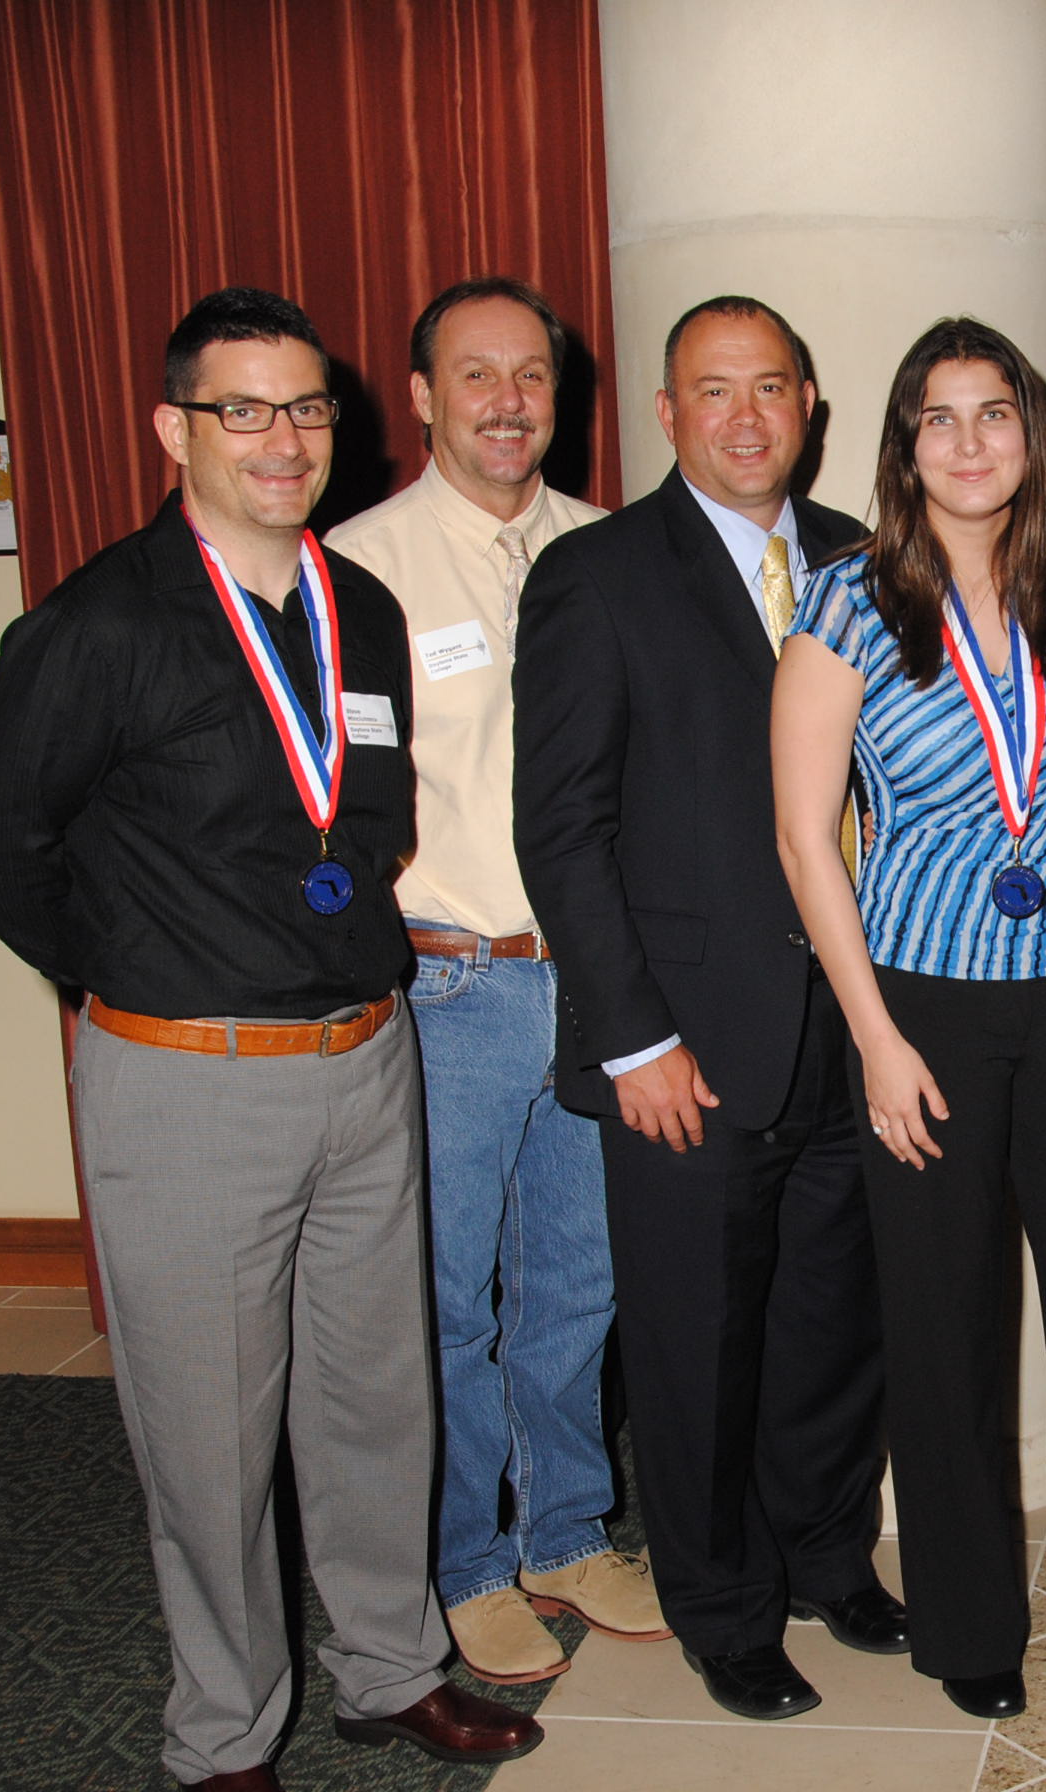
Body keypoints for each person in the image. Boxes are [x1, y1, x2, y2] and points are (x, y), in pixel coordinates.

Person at [0, 287, 540, 1792]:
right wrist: (142, 973)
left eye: (305, 411)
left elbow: (375, 794)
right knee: (211, 1433)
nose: (283, 440)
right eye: (244, 411)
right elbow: (0, 851)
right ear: (174, 430)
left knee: (376, 1399)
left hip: (367, 1060)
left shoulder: (353, 605)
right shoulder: (99, 626)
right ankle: (221, 1737)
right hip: (189, 1079)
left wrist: (335, 901)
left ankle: (389, 1669)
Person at [770, 319, 1046, 1721]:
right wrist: (874, 1039)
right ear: (903, 448)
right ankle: (968, 1623)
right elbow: (810, 843)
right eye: (936, 419)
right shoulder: (845, 602)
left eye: (991, 413)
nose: (968, 442)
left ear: (1030, 434)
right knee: (945, 1326)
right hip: (922, 1007)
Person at [512, 296, 900, 1724]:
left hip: (853, 1027)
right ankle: (723, 1605)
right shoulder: (597, 576)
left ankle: (824, 1557)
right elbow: (563, 829)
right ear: (666, 416)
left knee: (832, 1323)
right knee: (697, 1344)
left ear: (811, 404)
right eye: (712, 391)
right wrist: (633, 1039)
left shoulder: (870, 562)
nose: (746, 417)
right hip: (686, 1040)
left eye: (772, 388)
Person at [327, 277, 666, 1689]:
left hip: (595, 982)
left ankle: (569, 1530)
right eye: (477, 375)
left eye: (531, 374)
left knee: (580, 1287)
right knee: (444, 1301)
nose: (509, 402)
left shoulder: (613, 552)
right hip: (447, 986)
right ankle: (468, 1560)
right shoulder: (356, 566)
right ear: (419, 398)